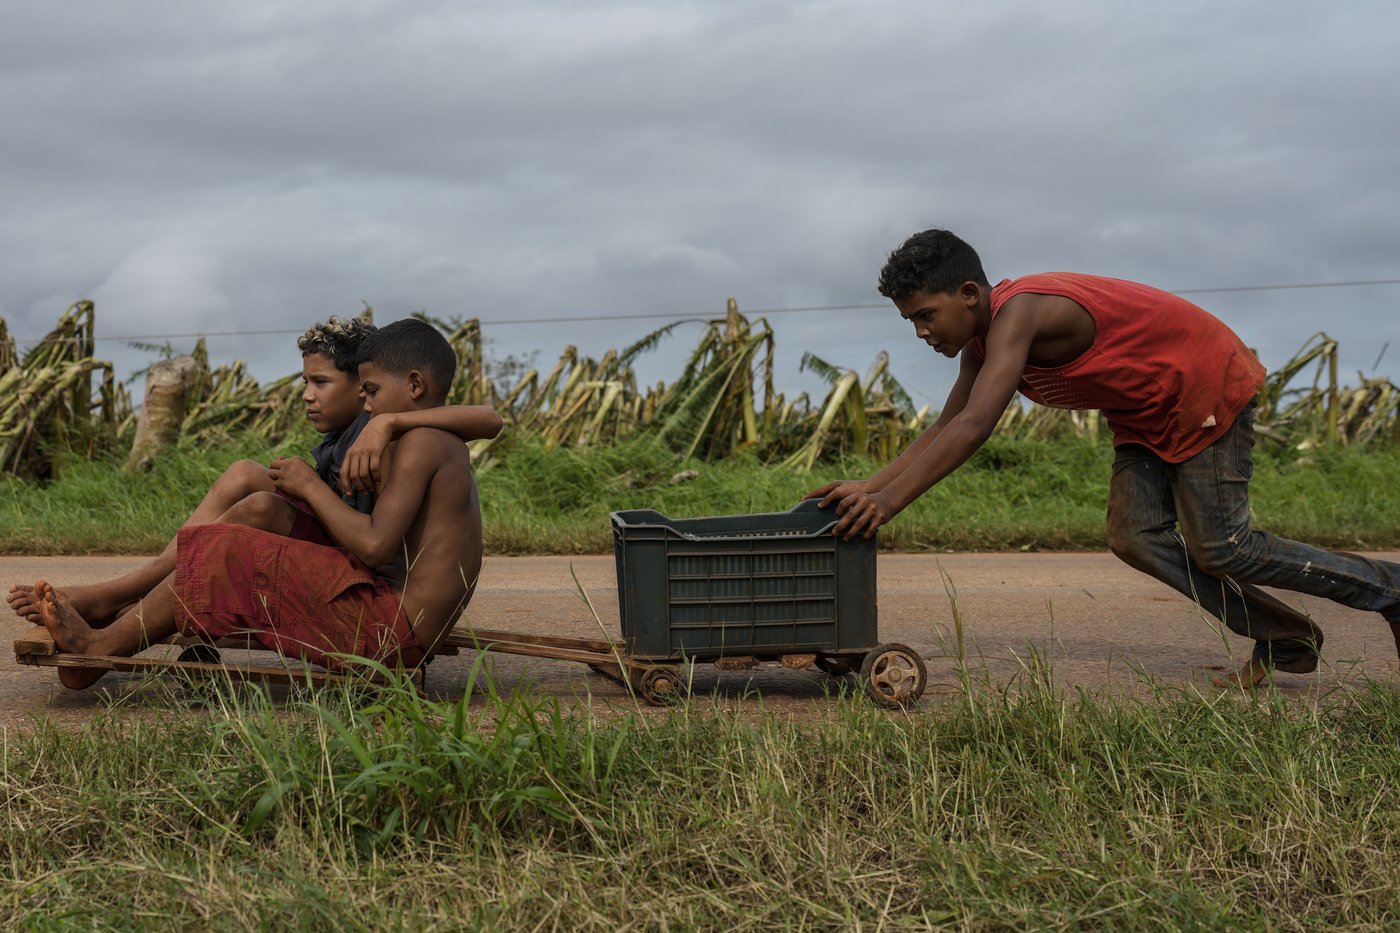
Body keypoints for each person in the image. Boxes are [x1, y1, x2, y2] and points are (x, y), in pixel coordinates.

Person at [806, 228, 1400, 686]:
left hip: (1203, 386)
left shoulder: (1021, 312)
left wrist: (890, 502)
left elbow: (976, 426)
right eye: (911, 321)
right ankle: (1285, 637)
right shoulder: (980, 344)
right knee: (1134, 537)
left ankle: (1388, 588)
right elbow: (946, 424)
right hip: (1144, 414)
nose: (921, 332)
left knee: (1224, 547)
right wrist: (870, 485)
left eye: (925, 315)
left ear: (968, 294)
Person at [31, 317, 498, 689]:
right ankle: (119, 622)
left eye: (371, 392)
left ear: (414, 385)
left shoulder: (422, 443)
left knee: (227, 548)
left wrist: (312, 484)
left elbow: (375, 548)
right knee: (242, 520)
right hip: (391, 621)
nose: (368, 405)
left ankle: (102, 647)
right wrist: (387, 425)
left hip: (390, 635)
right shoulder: (424, 437)